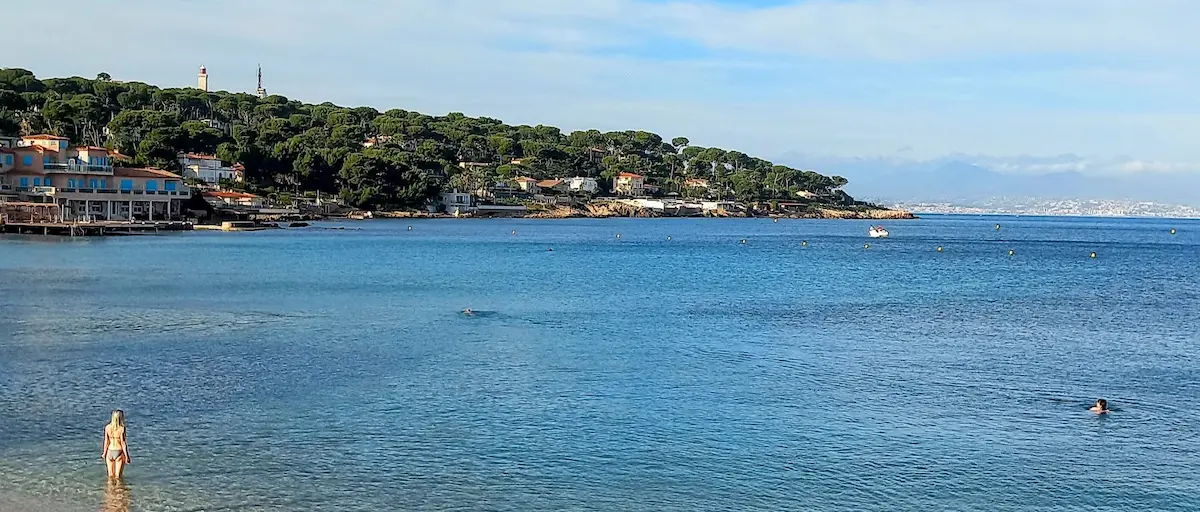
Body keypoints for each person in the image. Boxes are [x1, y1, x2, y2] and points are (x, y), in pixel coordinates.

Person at [102, 409, 130, 479]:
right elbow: (123, 443)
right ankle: (119, 489)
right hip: (119, 451)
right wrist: (127, 456)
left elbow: (106, 441)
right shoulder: (122, 429)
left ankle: (110, 489)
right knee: (118, 477)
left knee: (110, 476)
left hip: (109, 451)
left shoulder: (107, 427)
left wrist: (104, 453)